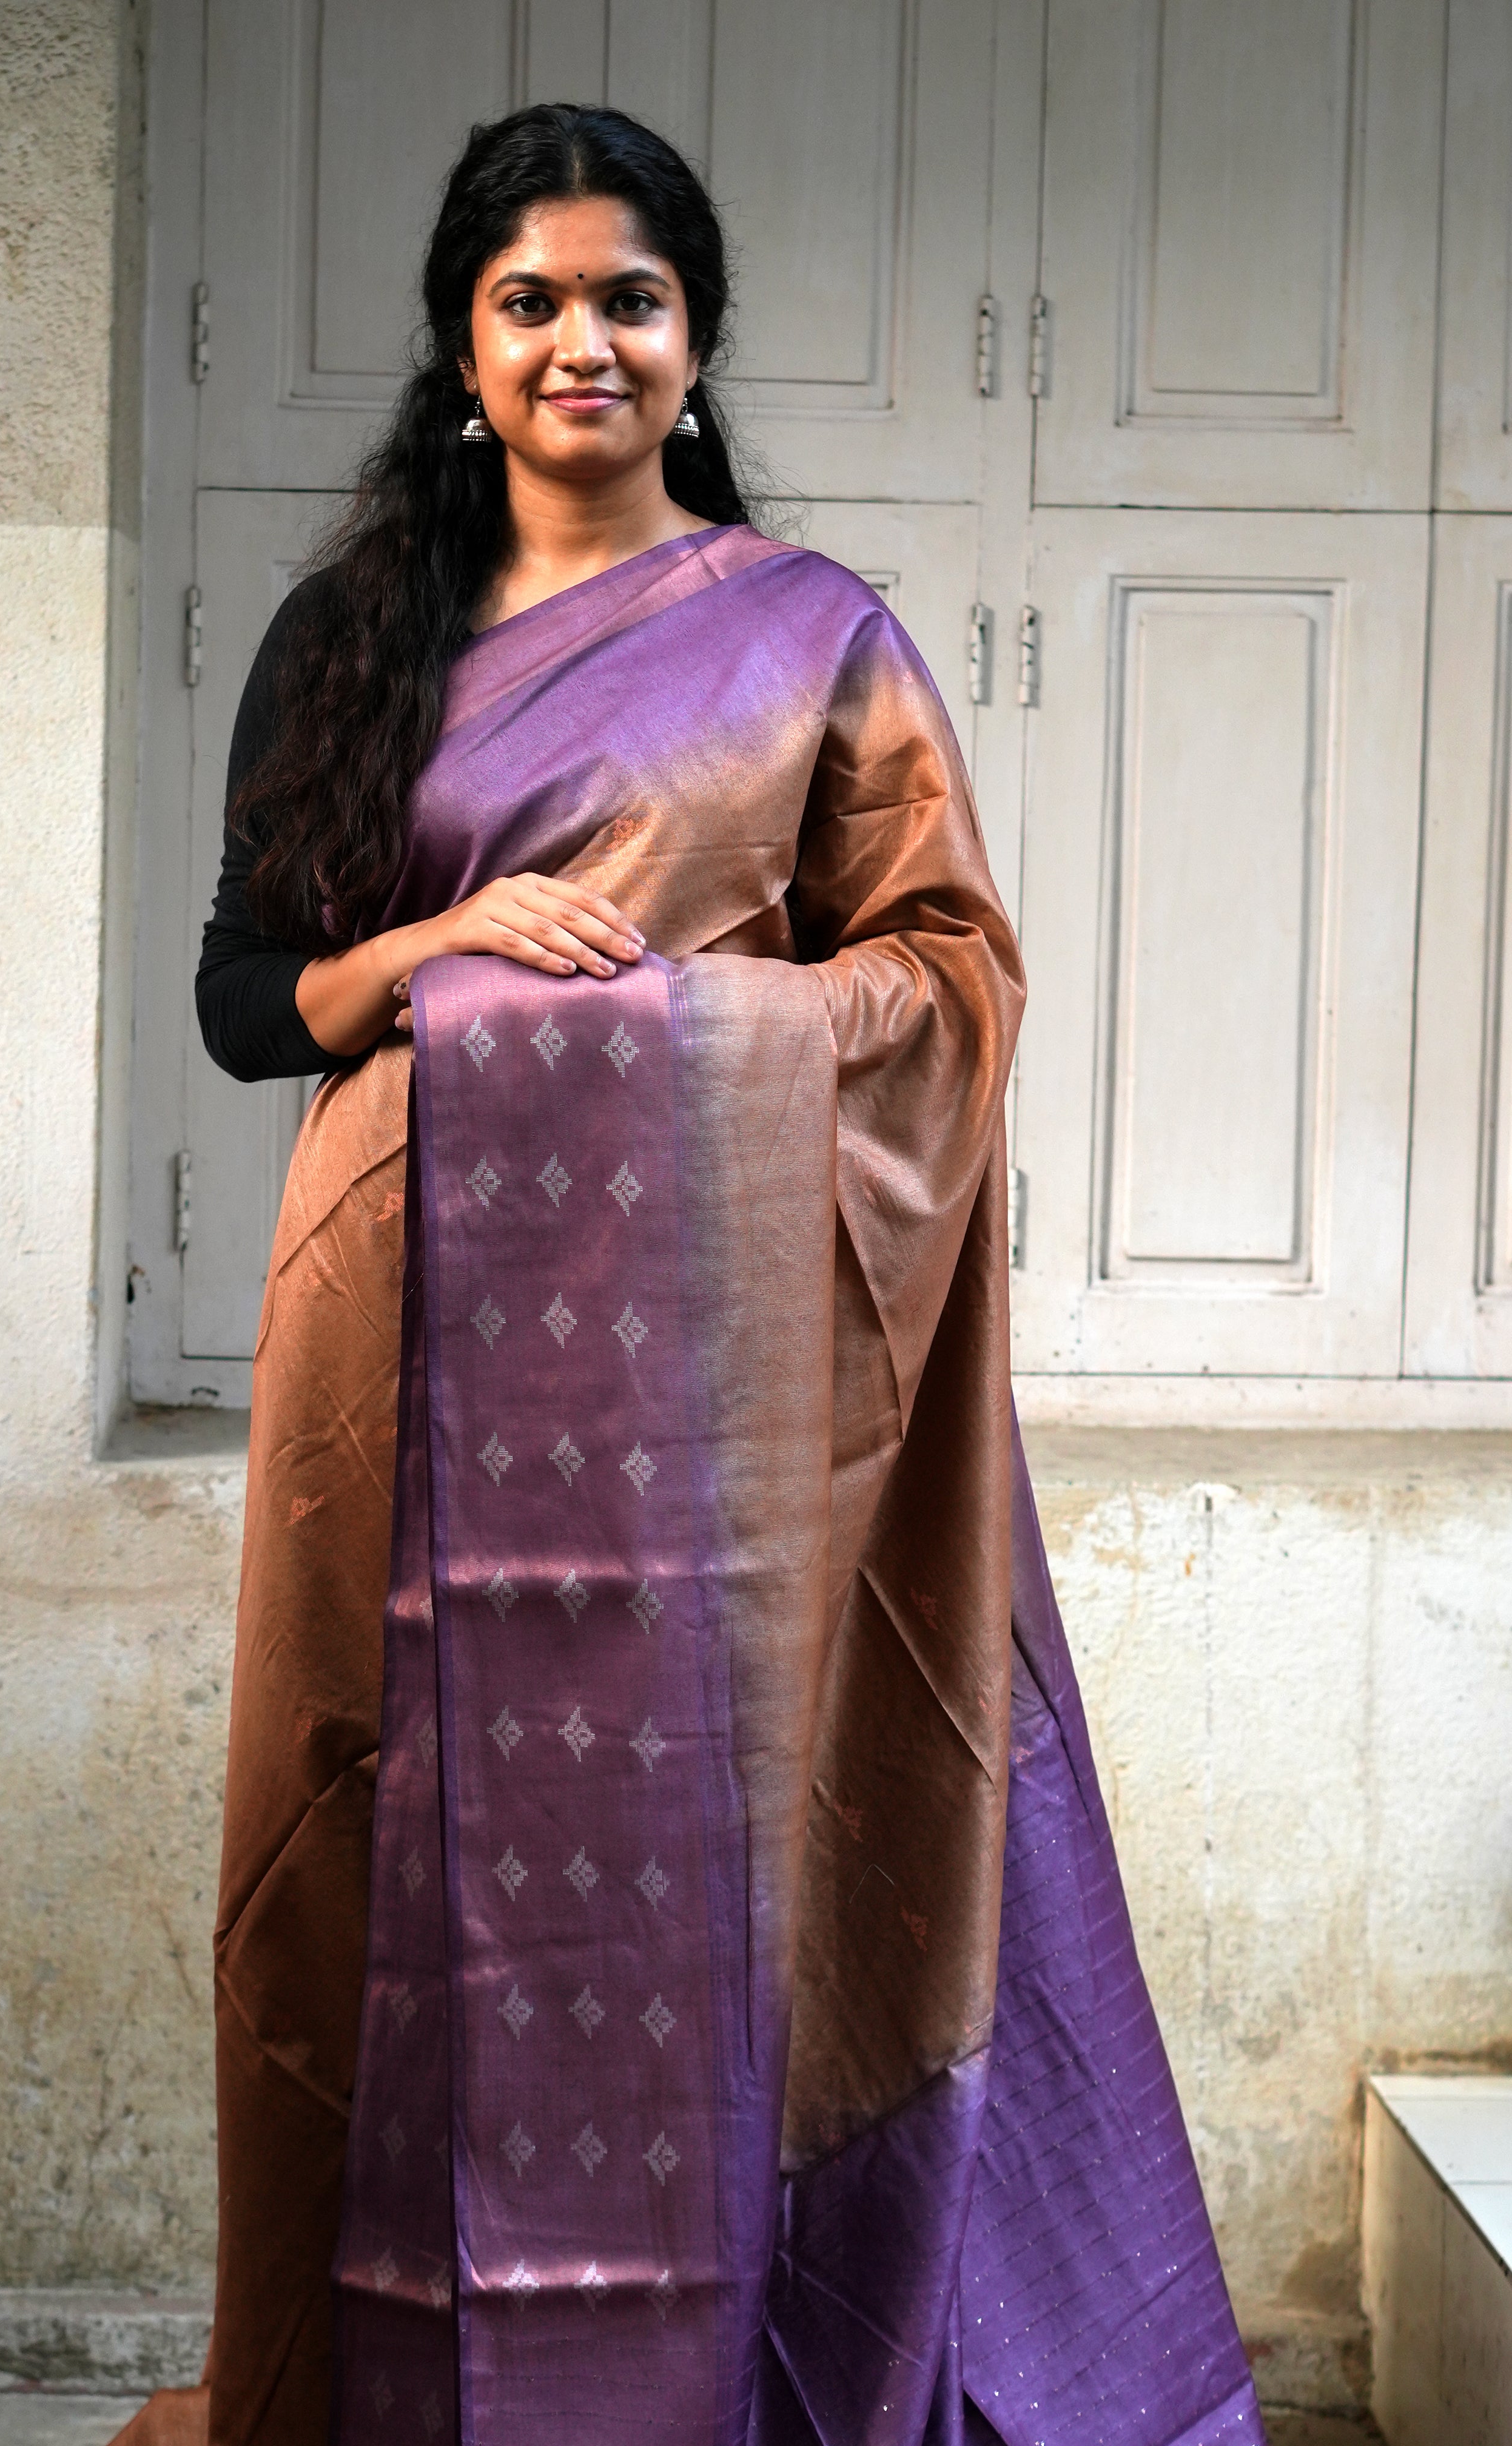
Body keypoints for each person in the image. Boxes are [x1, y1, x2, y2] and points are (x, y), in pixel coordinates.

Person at [113, 103, 1263, 2446]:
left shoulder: (813, 642)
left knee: (707, 1850)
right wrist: (434, 945)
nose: (583, 343)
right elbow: (244, 1003)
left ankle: (715, 2374)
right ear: (462, 345)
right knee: (374, 1837)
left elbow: (945, 979)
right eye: (530, 301)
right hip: (401, 1354)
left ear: (696, 337)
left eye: (629, 300)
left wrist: (663, 1036)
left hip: (712, 1389)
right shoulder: (355, 637)